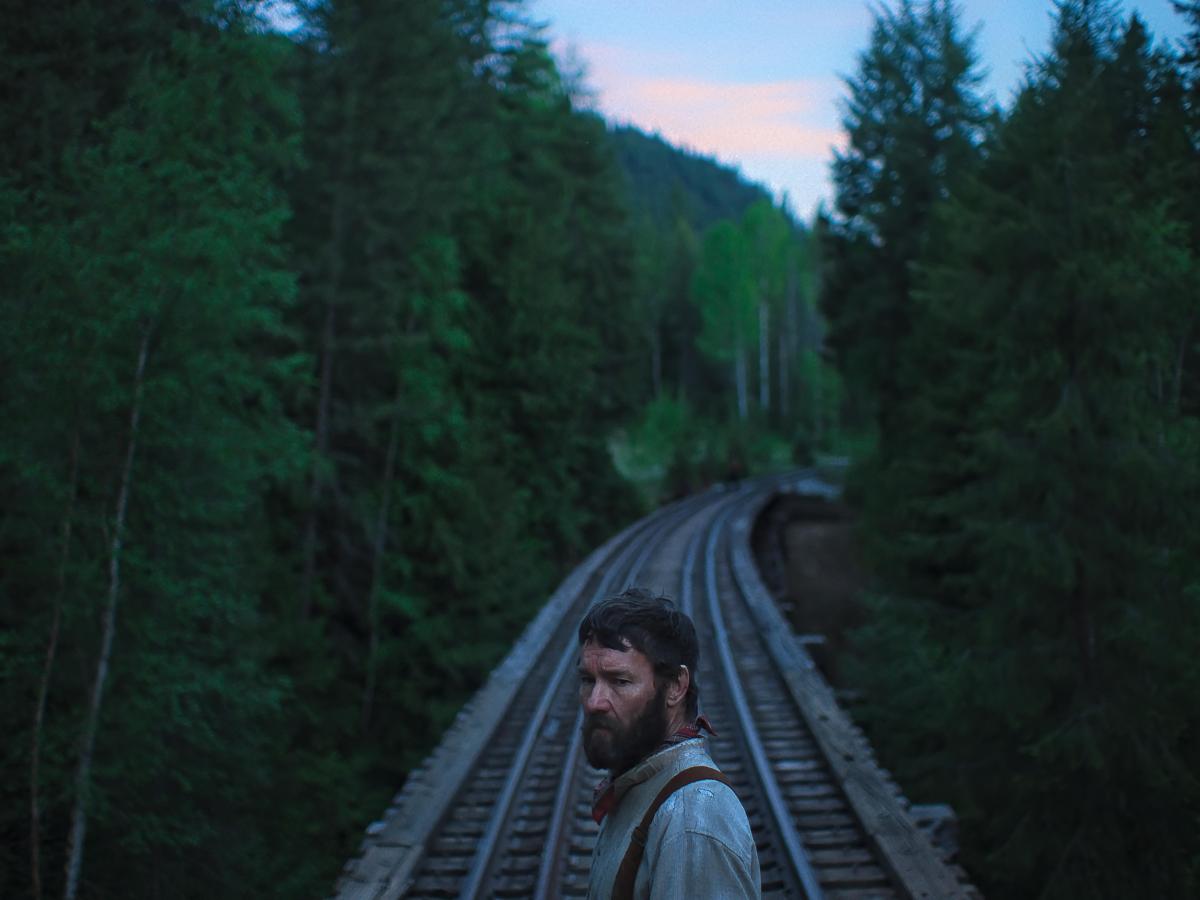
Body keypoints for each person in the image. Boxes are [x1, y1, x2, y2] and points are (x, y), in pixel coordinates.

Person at [577, 588, 761, 899]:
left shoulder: (692, 820)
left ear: (676, 686)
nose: (595, 702)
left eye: (619, 681)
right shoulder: (643, 786)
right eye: (587, 680)